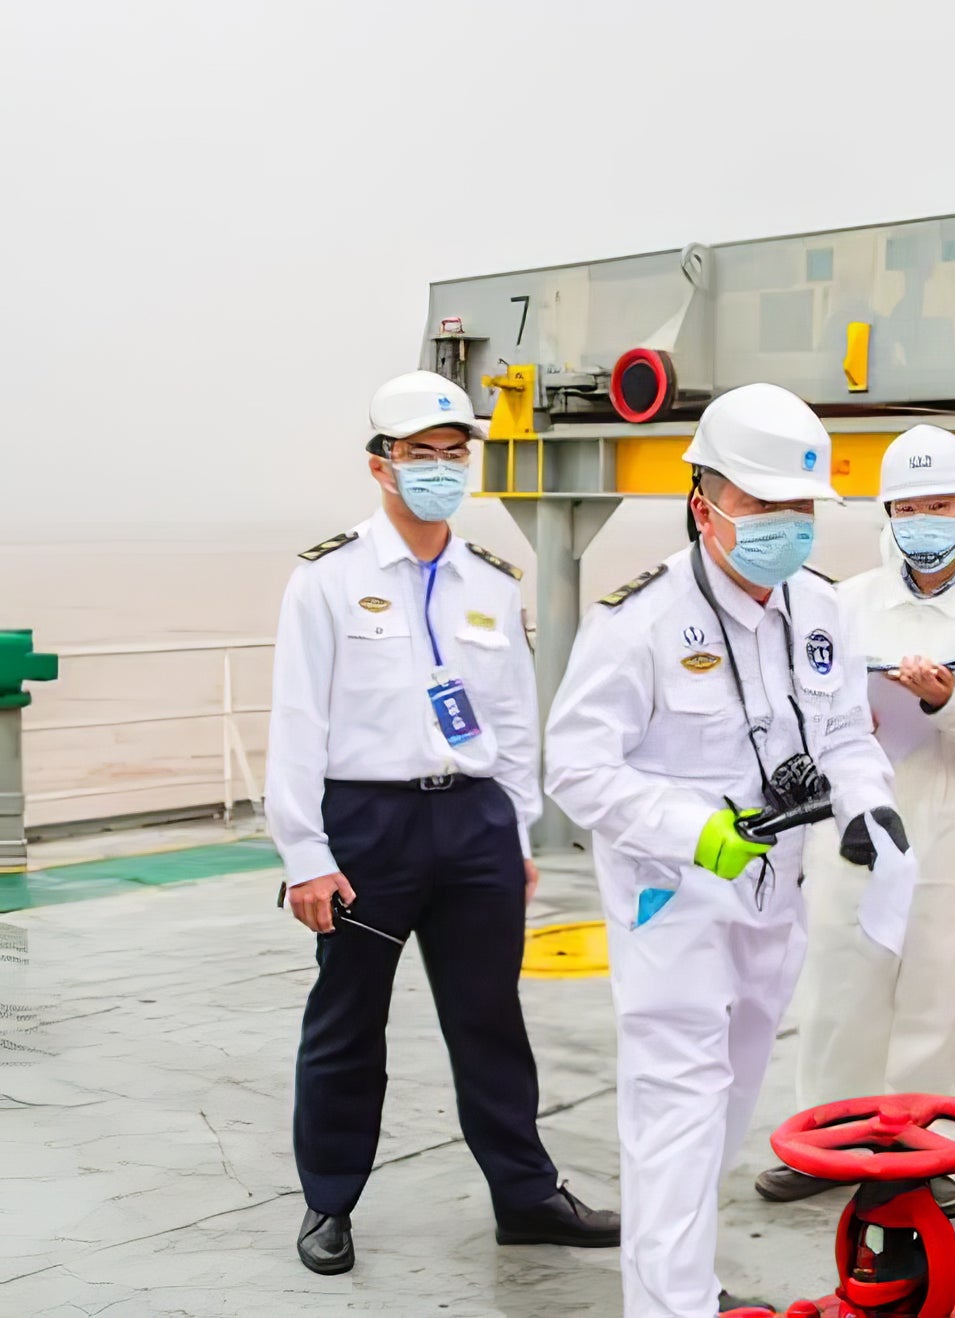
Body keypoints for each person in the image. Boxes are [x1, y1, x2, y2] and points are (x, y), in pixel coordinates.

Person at [544, 382, 908, 1318]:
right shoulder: (639, 620)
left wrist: (868, 805)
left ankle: (684, 1284)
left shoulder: (821, 610)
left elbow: (844, 734)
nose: (787, 525)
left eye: (801, 507)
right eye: (764, 504)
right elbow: (576, 768)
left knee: (725, 1109)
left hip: (774, 903)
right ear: (705, 506)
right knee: (677, 1112)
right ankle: (671, 1306)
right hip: (675, 905)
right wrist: (690, 830)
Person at [267, 370, 619, 1276]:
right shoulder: (327, 580)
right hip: (367, 824)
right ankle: (329, 1200)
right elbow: (297, 724)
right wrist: (304, 854)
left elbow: (510, 720)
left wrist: (516, 833)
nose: (439, 468)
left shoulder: (489, 582)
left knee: (490, 1018)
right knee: (348, 1020)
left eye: (454, 453)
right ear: (380, 464)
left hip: (473, 825)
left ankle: (526, 1197)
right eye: (420, 453)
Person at [755, 425, 955, 1219]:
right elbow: (798, 707)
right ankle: (831, 1140)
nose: (923, 522)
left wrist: (946, 701)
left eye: (939, 506)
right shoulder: (844, 604)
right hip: (857, 832)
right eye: (908, 508)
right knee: (839, 993)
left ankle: (914, 1154)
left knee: (938, 997)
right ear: (887, 514)